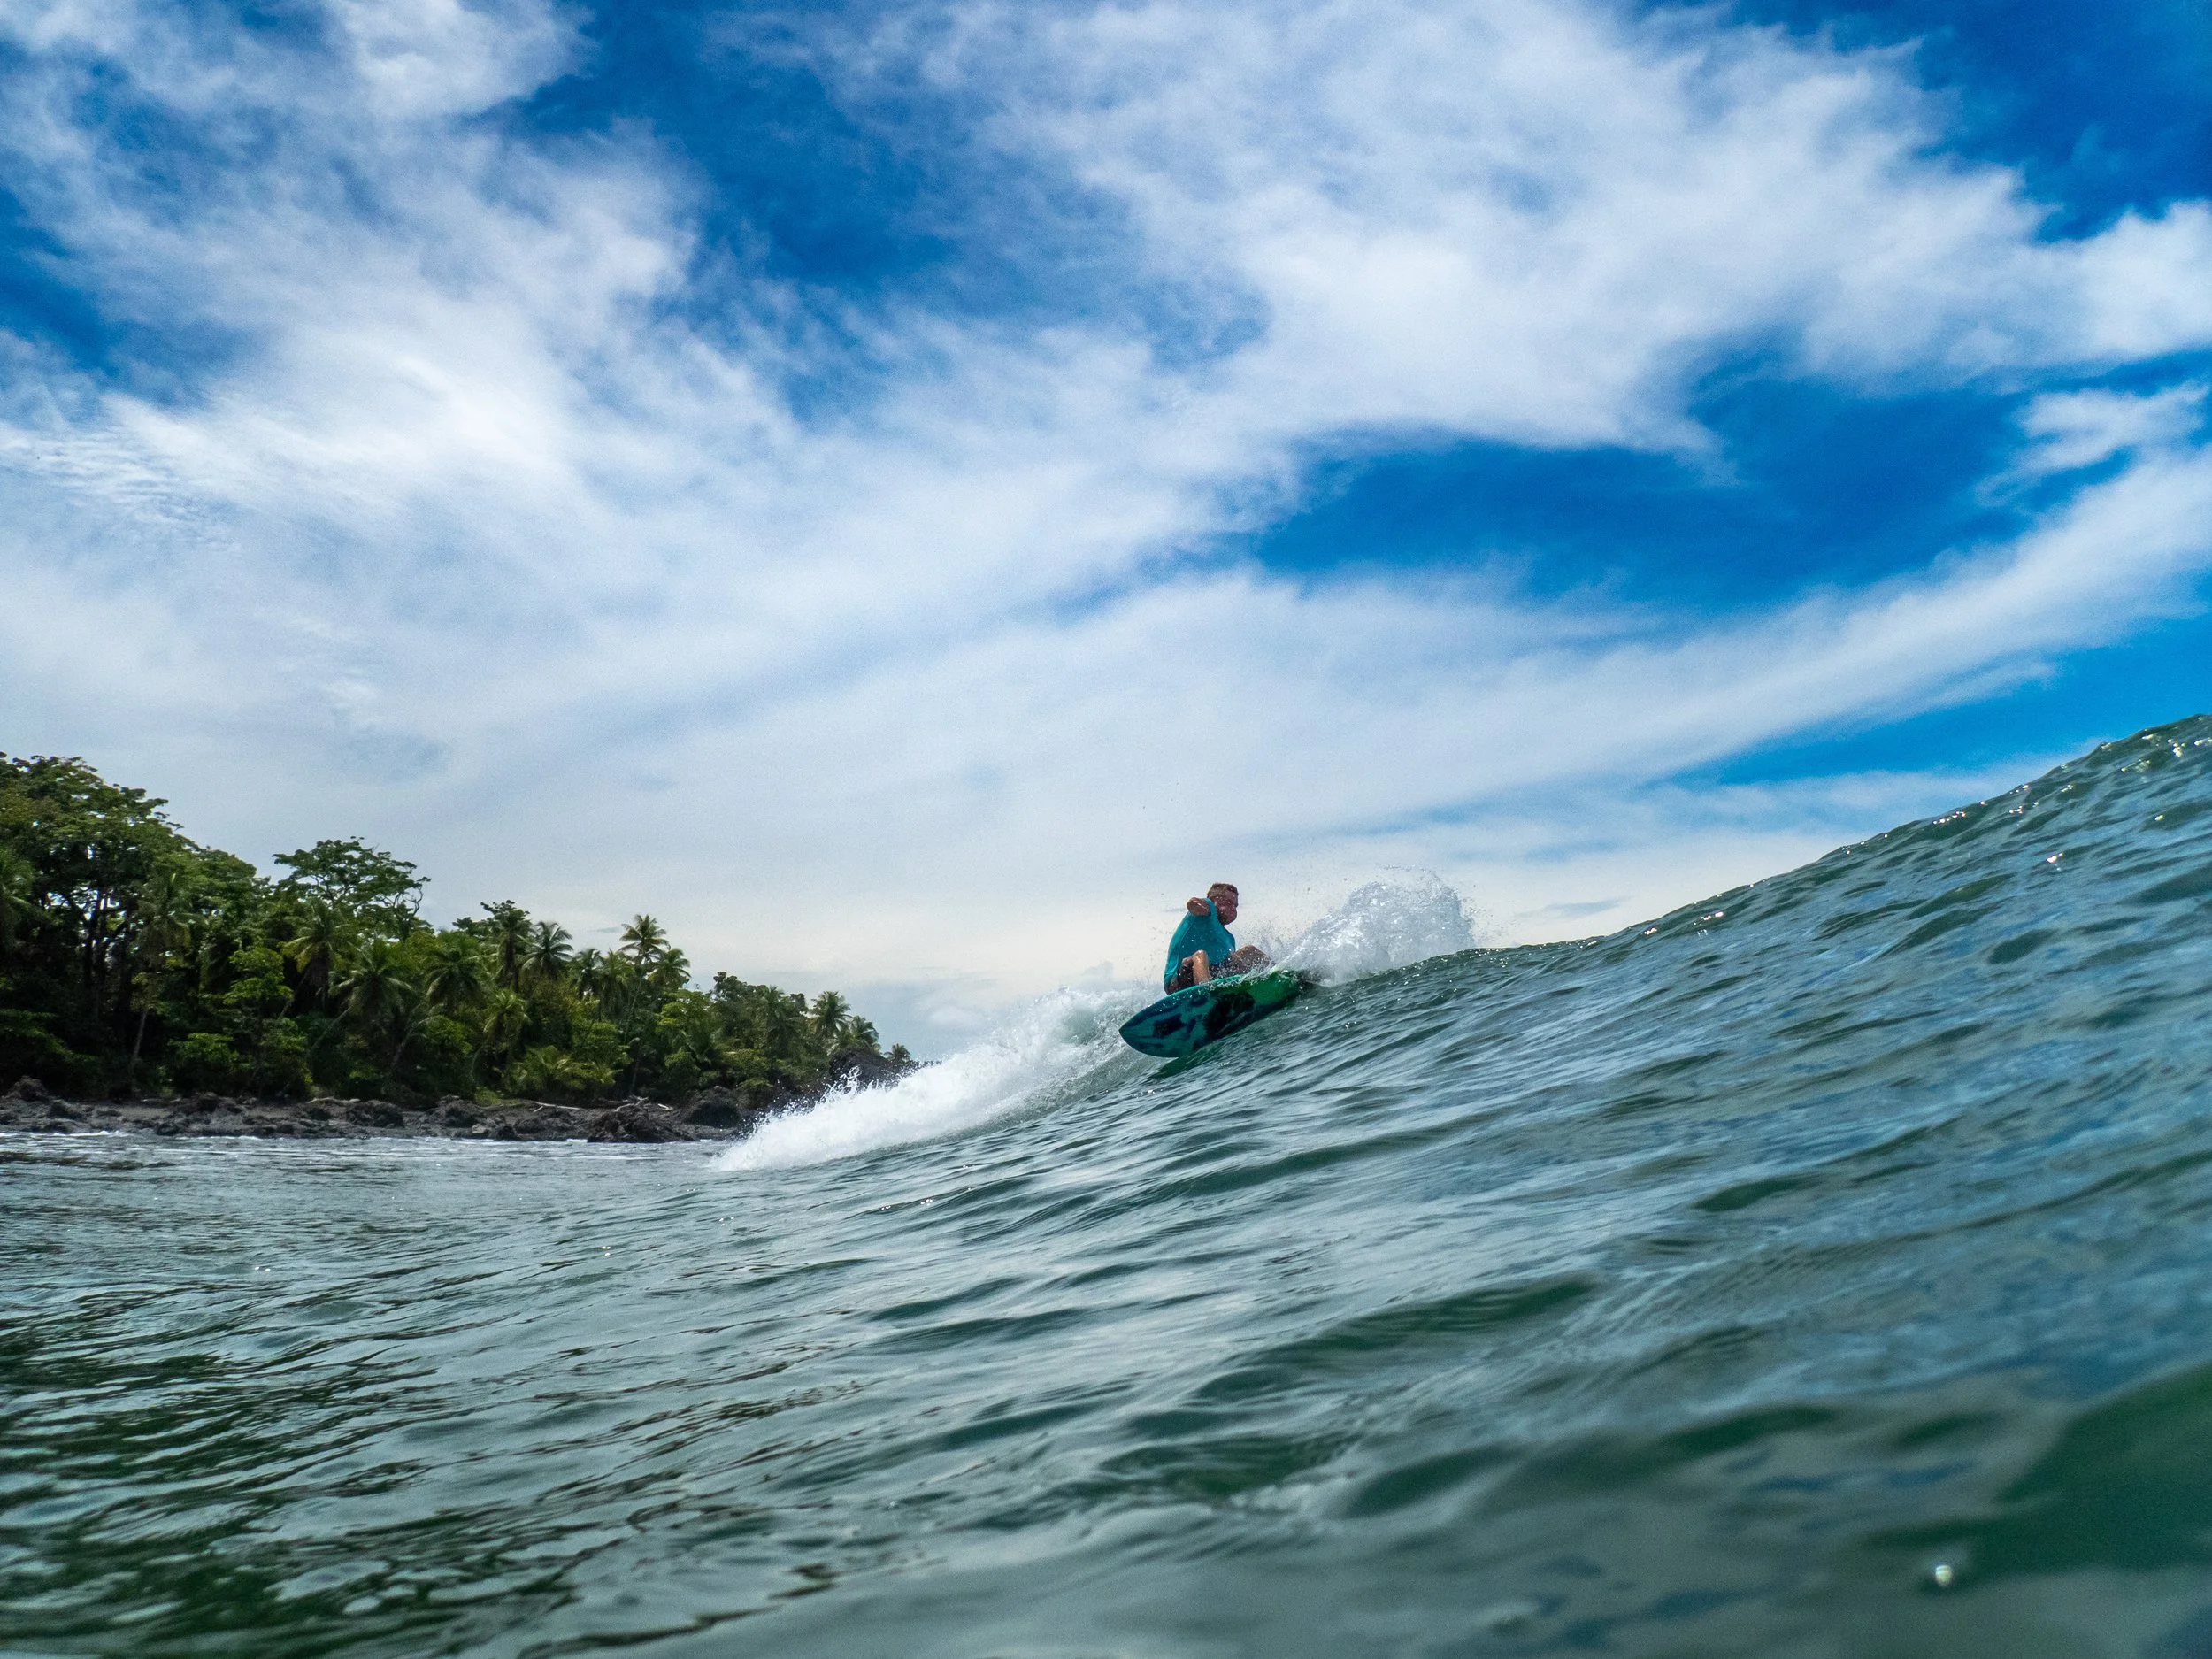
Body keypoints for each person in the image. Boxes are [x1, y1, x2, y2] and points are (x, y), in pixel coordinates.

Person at [1163, 882, 1271, 992]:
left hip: (1212, 977)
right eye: (1228, 903)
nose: (1233, 908)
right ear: (1214, 900)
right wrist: (1194, 904)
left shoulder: (1229, 938)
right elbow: (1195, 903)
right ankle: (1208, 993)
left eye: (1235, 905)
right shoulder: (1205, 912)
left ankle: (1280, 976)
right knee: (1200, 955)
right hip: (1177, 982)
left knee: (1250, 951)